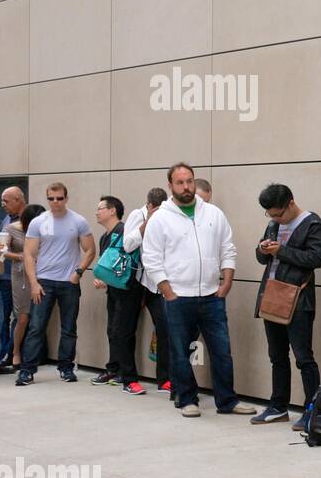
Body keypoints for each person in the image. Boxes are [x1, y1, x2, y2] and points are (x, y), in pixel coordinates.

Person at [141, 163, 256, 417]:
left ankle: (227, 400)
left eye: (190, 181)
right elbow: (150, 257)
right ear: (170, 186)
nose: (186, 187)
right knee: (180, 352)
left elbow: (227, 247)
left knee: (222, 351)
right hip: (178, 297)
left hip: (212, 296)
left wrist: (227, 279)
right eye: (180, 182)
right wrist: (167, 290)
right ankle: (187, 399)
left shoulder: (213, 213)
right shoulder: (161, 218)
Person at [252, 184, 321, 427]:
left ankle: (311, 409)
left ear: (291, 203)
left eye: (278, 214)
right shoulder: (274, 224)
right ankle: (278, 406)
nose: (274, 219)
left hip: (298, 300)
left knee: (303, 357)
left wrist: (282, 251)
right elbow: (262, 257)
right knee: (276, 356)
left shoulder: (313, 224)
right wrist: (264, 249)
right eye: (271, 215)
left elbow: (316, 259)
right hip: (272, 294)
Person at [16, 182, 95, 386]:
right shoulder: (38, 222)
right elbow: (29, 254)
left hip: (69, 282)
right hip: (44, 282)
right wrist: (34, 283)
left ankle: (66, 368)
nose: (55, 202)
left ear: (66, 198)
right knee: (36, 326)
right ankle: (27, 371)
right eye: (51, 198)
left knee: (69, 327)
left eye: (59, 198)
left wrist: (78, 272)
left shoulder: (78, 221)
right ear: (47, 199)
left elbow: (89, 250)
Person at [90, 195, 145, 393]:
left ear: (112, 210)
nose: (97, 212)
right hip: (113, 291)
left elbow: (127, 263)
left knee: (123, 332)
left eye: (100, 208)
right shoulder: (104, 236)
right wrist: (102, 278)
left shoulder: (124, 231)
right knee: (113, 330)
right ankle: (114, 368)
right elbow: (108, 265)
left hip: (128, 291)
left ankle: (125, 374)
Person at [120, 188, 171, 395]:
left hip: (156, 282)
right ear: (149, 205)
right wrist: (147, 223)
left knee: (165, 329)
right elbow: (128, 245)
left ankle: (165, 379)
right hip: (135, 281)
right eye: (155, 209)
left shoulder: (168, 217)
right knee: (127, 330)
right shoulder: (137, 215)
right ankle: (129, 379)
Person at [0, 203, 41, 375]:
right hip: (20, 276)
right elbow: (2, 251)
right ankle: (15, 352)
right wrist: (19, 256)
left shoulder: (44, 229)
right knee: (22, 317)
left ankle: (32, 354)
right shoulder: (11, 229)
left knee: (38, 318)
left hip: (42, 273)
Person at [0, 185, 27, 371]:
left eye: (6, 201)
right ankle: (3, 357)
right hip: (3, 276)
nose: (3, 205)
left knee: (20, 318)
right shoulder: (6, 219)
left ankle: (11, 355)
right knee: (2, 318)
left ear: (18, 200)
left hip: (20, 276)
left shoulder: (31, 218)